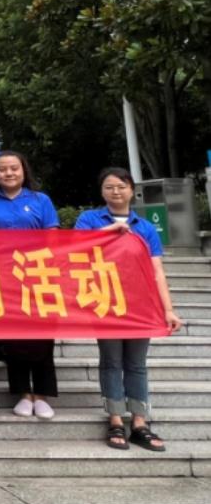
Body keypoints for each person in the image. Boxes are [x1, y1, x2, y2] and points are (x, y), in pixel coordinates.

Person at [76, 167, 183, 452]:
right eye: (109, 187)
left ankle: (139, 422)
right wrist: (109, 231)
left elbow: (157, 271)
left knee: (136, 364)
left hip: (140, 304)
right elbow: (75, 249)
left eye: (121, 186)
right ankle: (114, 420)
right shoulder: (89, 220)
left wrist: (168, 309)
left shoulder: (145, 227)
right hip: (105, 302)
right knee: (111, 361)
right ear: (102, 192)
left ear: (131, 190)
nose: (116, 192)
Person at [0, 151, 59, 420]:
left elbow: (53, 235)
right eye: (2, 169)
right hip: (5, 276)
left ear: (24, 170)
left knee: (42, 335)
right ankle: (23, 393)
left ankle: (42, 394)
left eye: (14, 168)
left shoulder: (41, 200)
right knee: (14, 335)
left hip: (38, 274)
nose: (9, 173)